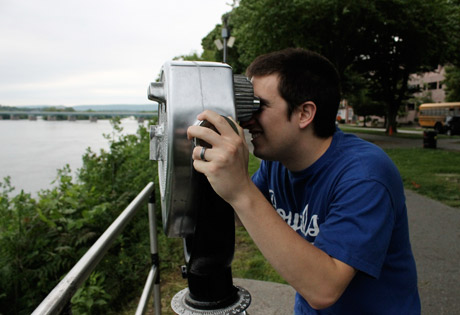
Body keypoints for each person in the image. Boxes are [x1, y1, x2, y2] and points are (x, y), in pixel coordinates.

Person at [187, 48, 421, 314]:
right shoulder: (277, 163)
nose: (248, 119)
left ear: (304, 113)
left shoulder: (365, 175)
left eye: (258, 106)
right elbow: (243, 215)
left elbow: (324, 289)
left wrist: (241, 190)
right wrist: (209, 170)